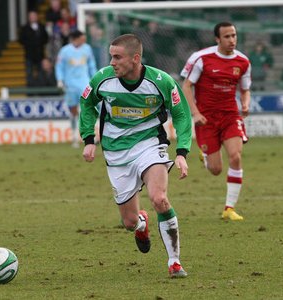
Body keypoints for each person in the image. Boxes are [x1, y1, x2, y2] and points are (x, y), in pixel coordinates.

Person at [79, 34, 192, 278]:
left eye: (117, 57)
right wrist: (89, 139)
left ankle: (174, 262)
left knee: (160, 198)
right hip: (116, 151)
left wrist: (182, 152)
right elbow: (87, 104)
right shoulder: (102, 79)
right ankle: (141, 223)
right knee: (129, 222)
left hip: (150, 144)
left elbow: (181, 114)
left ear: (136, 58)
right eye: (111, 56)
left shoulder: (161, 81)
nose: (112, 62)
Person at [181, 22, 251, 221]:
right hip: (206, 119)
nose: (232, 40)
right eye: (227, 36)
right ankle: (205, 156)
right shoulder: (202, 58)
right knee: (215, 170)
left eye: (234, 35)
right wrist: (195, 113)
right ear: (217, 39)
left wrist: (245, 104)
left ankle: (229, 209)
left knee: (236, 157)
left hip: (230, 115)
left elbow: (245, 89)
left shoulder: (243, 61)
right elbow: (186, 87)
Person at [55, 30, 97, 147]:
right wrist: (60, 79)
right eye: (82, 38)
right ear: (75, 38)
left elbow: (91, 65)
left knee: (88, 108)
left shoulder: (87, 49)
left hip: (84, 83)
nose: (84, 40)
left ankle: (92, 135)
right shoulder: (64, 51)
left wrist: (95, 79)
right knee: (73, 111)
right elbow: (59, 66)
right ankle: (74, 136)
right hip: (70, 84)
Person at [19, 11, 49, 86]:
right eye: (31, 16)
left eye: (34, 16)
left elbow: (46, 38)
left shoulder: (41, 27)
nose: (33, 17)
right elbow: (21, 40)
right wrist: (30, 44)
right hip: (29, 55)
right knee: (29, 73)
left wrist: (39, 43)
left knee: (41, 73)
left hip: (40, 54)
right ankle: (30, 92)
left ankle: (42, 89)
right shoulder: (25, 28)